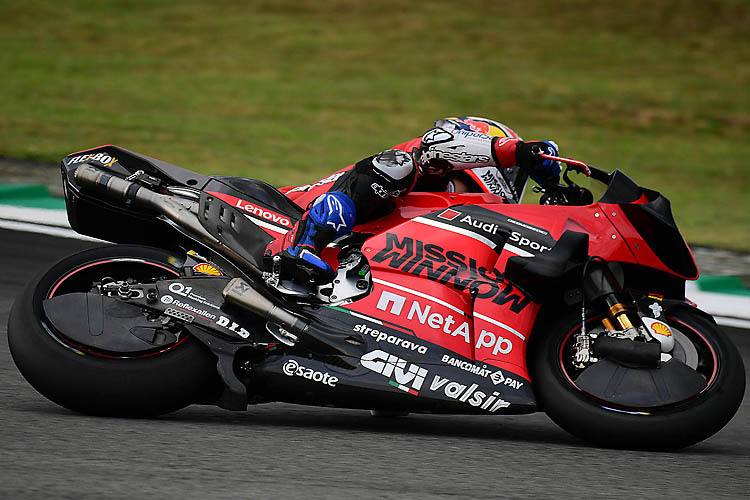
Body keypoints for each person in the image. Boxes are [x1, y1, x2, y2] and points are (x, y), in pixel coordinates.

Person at [267, 116, 562, 285]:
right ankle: (302, 247)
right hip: (281, 214)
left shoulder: (461, 211)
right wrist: (519, 152)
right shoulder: (428, 165)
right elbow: (437, 142)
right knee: (397, 167)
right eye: (512, 172)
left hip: (348, 264)